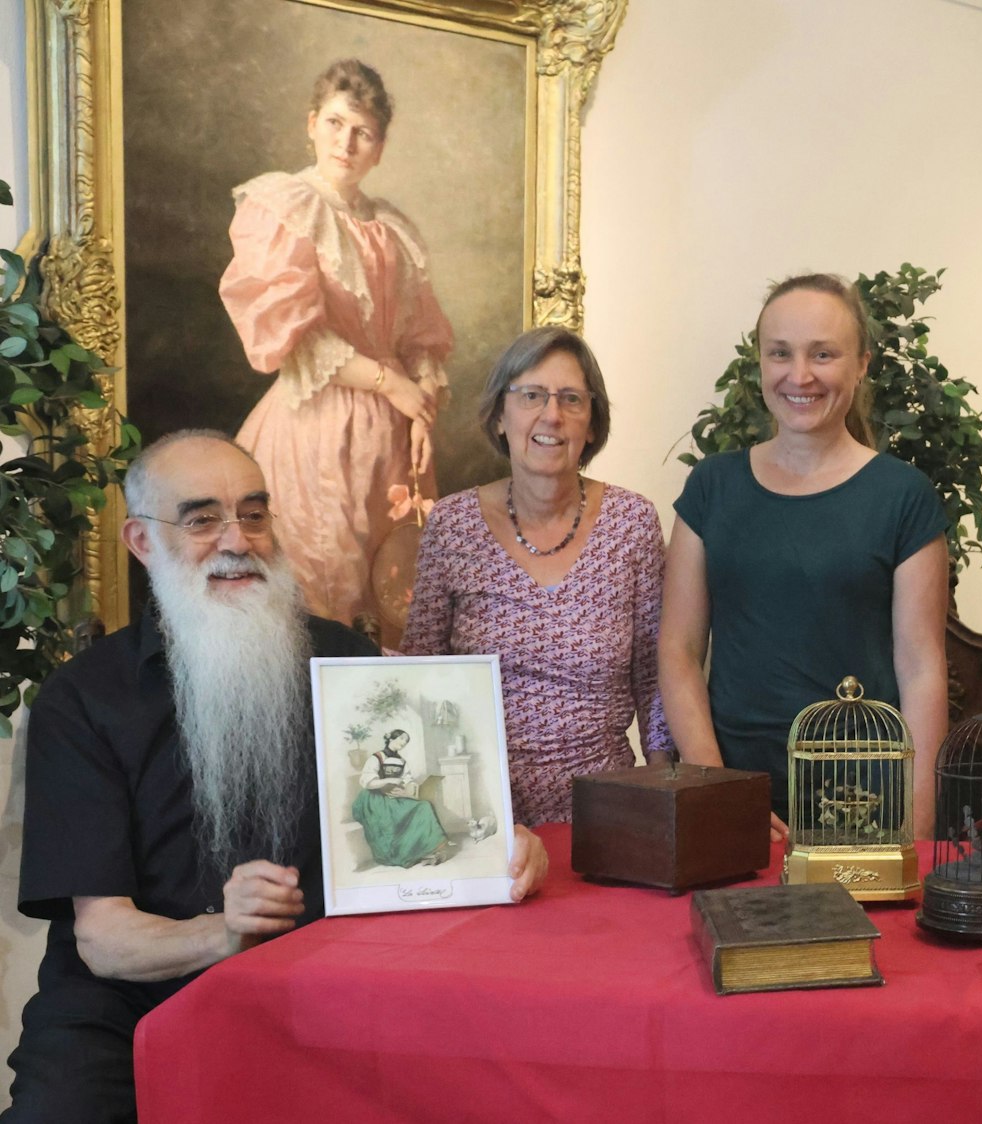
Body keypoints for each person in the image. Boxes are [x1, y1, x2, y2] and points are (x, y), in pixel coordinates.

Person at [5, 431, 546, 1124]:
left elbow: (418, 826)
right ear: (142, 542)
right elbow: (105, 939)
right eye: (202, 520)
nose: (239, 540)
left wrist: (492, 843)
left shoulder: (349, 662)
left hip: (321, 989)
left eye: (254, 514)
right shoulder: (84, 699)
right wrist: (222, 933)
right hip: (130, 1005)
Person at [660, 274, 948, 841]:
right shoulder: (712, 486)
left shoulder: (903, 496)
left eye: (823, 354)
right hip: (739, 792)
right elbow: (679, 651)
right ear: (759, 363)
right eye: (780, 354)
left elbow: (921, 672)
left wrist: (915, 831)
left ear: (862, 364)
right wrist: (722, 797)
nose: (800, 375)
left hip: (865, 803)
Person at [403, 327, 672, 826]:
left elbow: (655, 678)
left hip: (608, 813)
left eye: (571, 399)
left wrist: (661, 800)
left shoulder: (632, 523)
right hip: (477, 815)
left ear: (592, 424)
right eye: (531, 395)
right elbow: (420, 672)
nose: (552, 415)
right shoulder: (452, 525)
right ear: (500, 417)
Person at [220, 58, 454, 628]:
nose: (345, 142)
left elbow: (421, 333)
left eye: (362, 132)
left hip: (395, 440)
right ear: (311, 124)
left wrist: (422, 405)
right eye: (334, 123)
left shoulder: (393, 226)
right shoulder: (285, 206)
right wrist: (391, 383)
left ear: (379, 146)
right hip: (317, 424)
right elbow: (295, 338)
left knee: (398, 589)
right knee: (328, 585)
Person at [350, 729, 450, 867]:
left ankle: (432, 849)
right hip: (375, 797)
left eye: (406, 741)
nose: (404, 742)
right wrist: (387, 781)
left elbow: (407, 780)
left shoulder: (401, 761)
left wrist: (408, 790)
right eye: (401, 738)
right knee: (389, 818)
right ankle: (400, 854)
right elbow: (367, 782)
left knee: (424, 806)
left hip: (396, 795)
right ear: (391, 738)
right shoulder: (377, 757)